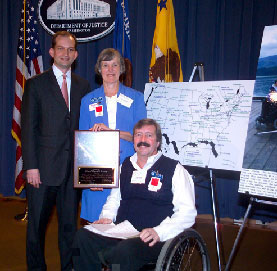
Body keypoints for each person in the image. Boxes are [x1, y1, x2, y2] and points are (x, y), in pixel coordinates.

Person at [72, 118, 197, 271]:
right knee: (82, 237)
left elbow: (187, 213)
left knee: (123, 252)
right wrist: (107, 216)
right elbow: (114, 199)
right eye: (138, 135)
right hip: (123, 231)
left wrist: (159, 231)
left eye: (149, 135)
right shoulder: (125, 166)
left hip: (154, 237)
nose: (143, 140)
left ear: (158, 142)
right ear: (133, 140)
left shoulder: (174, 169)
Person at [21, 31, 91, 270]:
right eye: (60, 49)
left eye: (70, 50)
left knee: (70, 227)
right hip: (41, 171)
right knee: (36, 228)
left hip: (72, 171)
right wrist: (31, 166)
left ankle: (69, 267)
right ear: (52, 52)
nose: (65, 53)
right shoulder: (35, 85)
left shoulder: (84, 86)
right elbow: (28, 128)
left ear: (76, 55)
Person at [79, 48, 147, 223]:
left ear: (122, 69)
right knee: (97, 229)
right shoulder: (88, 101)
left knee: (127, 229)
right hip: (98, 175)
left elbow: (142, 138)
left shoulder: (136, 98)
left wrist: (112, 133)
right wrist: (89, 178)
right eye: (106, 65)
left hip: (130, 170)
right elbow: (83, 144)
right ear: (99, 69)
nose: (110, 70)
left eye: (115, 65)